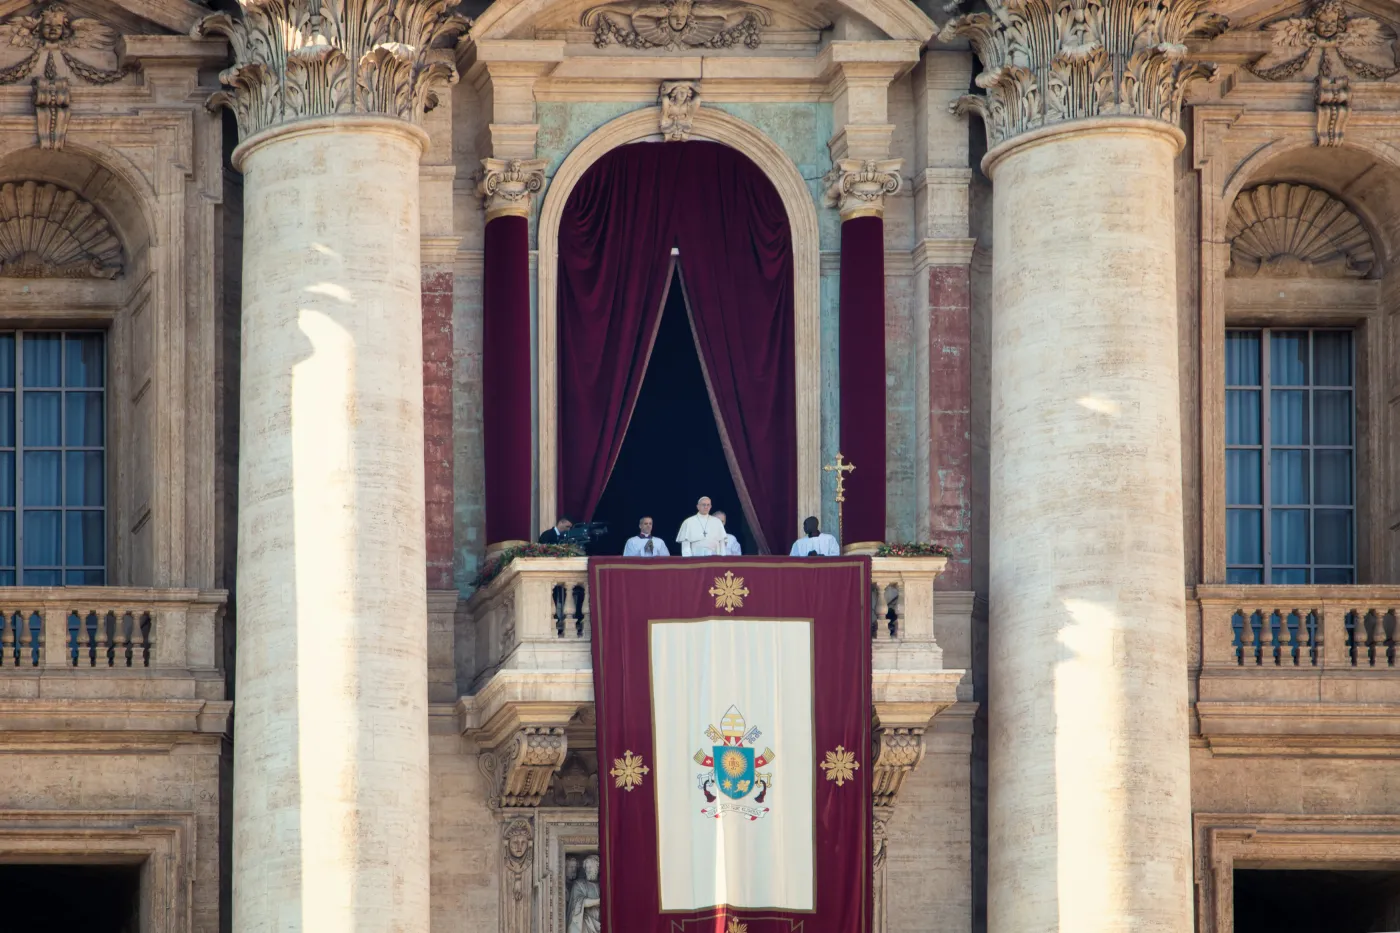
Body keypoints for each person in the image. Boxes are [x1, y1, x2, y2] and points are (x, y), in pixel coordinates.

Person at [566, 853, 602, 933]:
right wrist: (598, 901)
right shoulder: (579, 884)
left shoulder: (603, 885)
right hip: (586, 925)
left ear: (597, 867)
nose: (587, 870)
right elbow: (577, 903)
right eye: (586, 868)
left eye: (590, 867)